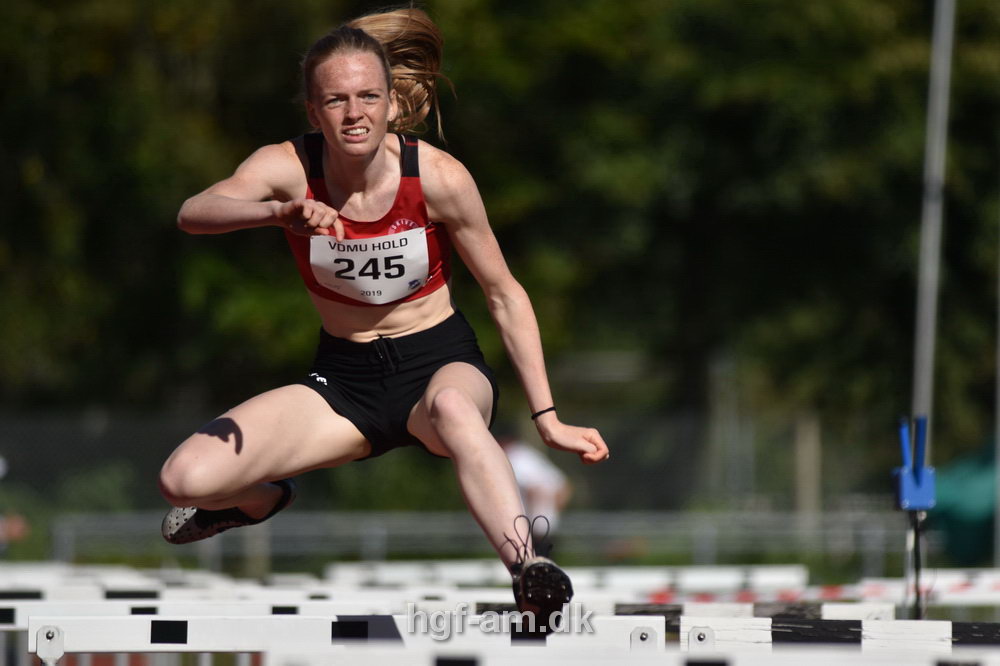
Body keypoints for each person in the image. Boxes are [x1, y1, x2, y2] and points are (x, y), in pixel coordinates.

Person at [157, 7, 609, 624]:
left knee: (453, 410)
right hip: (344, 381)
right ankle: (261, 501)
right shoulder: (290, 168)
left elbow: (505, 294)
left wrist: (548, 419)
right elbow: (195, 210)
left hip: (439, 365)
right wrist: (278, 213)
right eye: (336, 100)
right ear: (313, 112)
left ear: (393, 104)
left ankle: (529, 567)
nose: (354, 113)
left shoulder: (439, 178)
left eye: (368, 96)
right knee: (183, 480)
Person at [498, 433, 573, 539]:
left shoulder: (514, 458)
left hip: (533, 527)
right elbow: (563, 487)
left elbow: (532, 489)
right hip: (547, 526)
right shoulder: (528, 455)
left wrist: (531, 519)